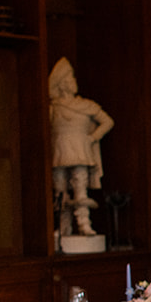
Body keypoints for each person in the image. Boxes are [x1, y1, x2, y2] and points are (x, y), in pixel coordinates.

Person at [48, 57, 113, 238]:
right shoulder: (54, 107)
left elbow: (107, 122)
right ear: (62, 85)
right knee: (60, 191)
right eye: (70, 79)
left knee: (81, 189)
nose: (74, 82)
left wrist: (92, 138)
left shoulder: (86, 105)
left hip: (80, 151)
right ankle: (63, 228)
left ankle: (85, 225)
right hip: (60, 152)